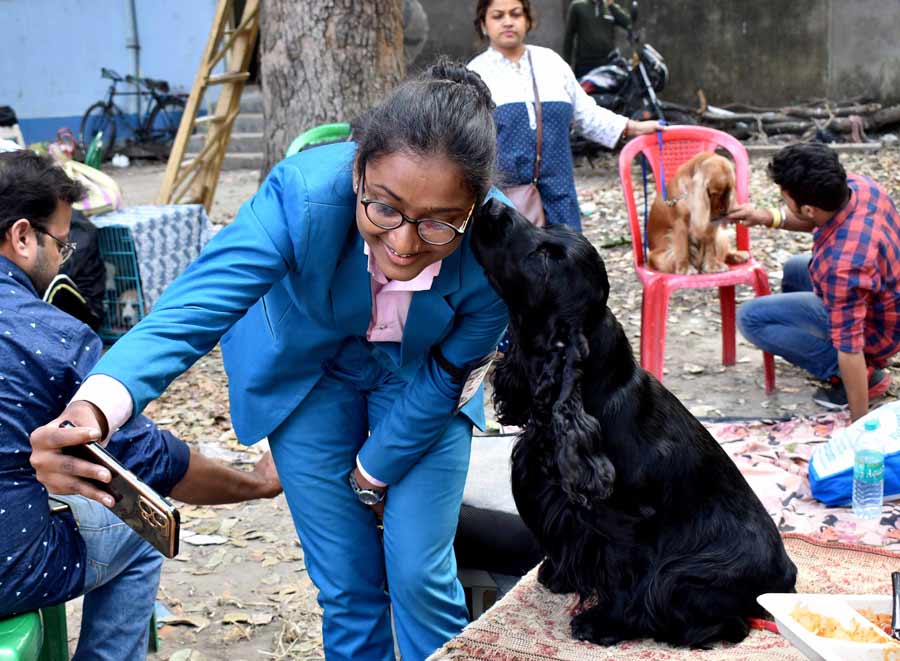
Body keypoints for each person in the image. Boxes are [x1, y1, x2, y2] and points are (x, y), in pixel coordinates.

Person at [29, 62, 509, 660]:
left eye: (439, 223)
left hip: (422, 381)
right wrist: (95, 409)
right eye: (384, 208)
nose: (406, 243)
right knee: (347, 582)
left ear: (473, 207)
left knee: (419, 575)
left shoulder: (497, 248)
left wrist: (372, 470)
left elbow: (450, 374)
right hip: (307, 374)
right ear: (356, 169)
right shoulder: (303, 195)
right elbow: (195, 307)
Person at [0, 150, 282, 660]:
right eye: (62, 247)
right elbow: (151, 465)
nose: (63, 262)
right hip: (10, 566)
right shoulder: (49, 336)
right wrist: (257, 485)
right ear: (22, 236)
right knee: (141, 525)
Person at [728, 143, 899, 422]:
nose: (783, 205)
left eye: (785, 201)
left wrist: (858, 428)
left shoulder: (844, 266)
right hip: (885, 300)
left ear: (807, 208)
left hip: (875, 330)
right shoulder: (860, 187)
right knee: (795, 269)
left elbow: (850, 347)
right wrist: (765, 217)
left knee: (751, 318)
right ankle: (826, 351)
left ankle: (859, 377)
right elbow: (816, 220)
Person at [469, 0, 662, 232]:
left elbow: (587, 116)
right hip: (504, 205)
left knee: (566, 263)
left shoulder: (551, 63)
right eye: (498, 16)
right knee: (511, 266)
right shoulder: (475, 75)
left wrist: (636, 127)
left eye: (516, 14)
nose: (508, 22)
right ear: (483, 24)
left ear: (528, 20)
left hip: (560, 197)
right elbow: (466, 145)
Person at [563, 0, 632, 78]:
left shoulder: (609, 8)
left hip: (607, 64)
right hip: (585, 65)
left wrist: (611, 5)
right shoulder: (578, 6)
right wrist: (567, 63)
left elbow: (628, 23)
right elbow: (569, 37)